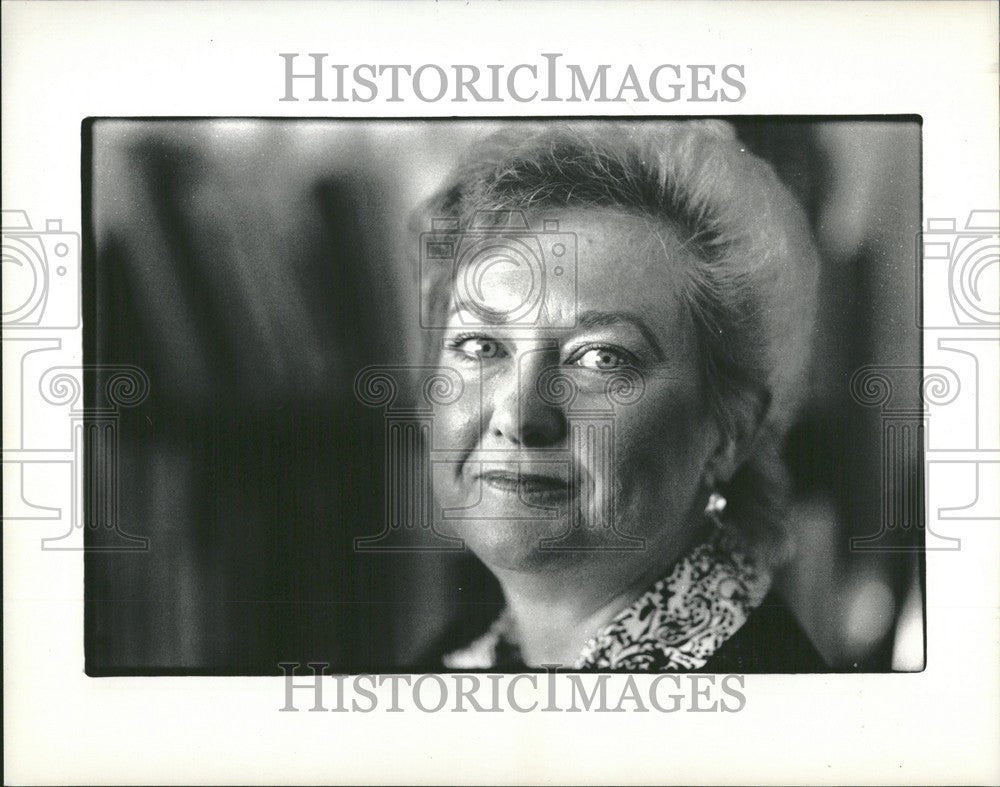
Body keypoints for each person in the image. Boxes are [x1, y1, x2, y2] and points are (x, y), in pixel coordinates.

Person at [415, 120, 828, 672]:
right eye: (479, 343)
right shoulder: (456, 658)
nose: (519, 416)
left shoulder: (776, 724)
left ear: (729, 431)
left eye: (602, 358)